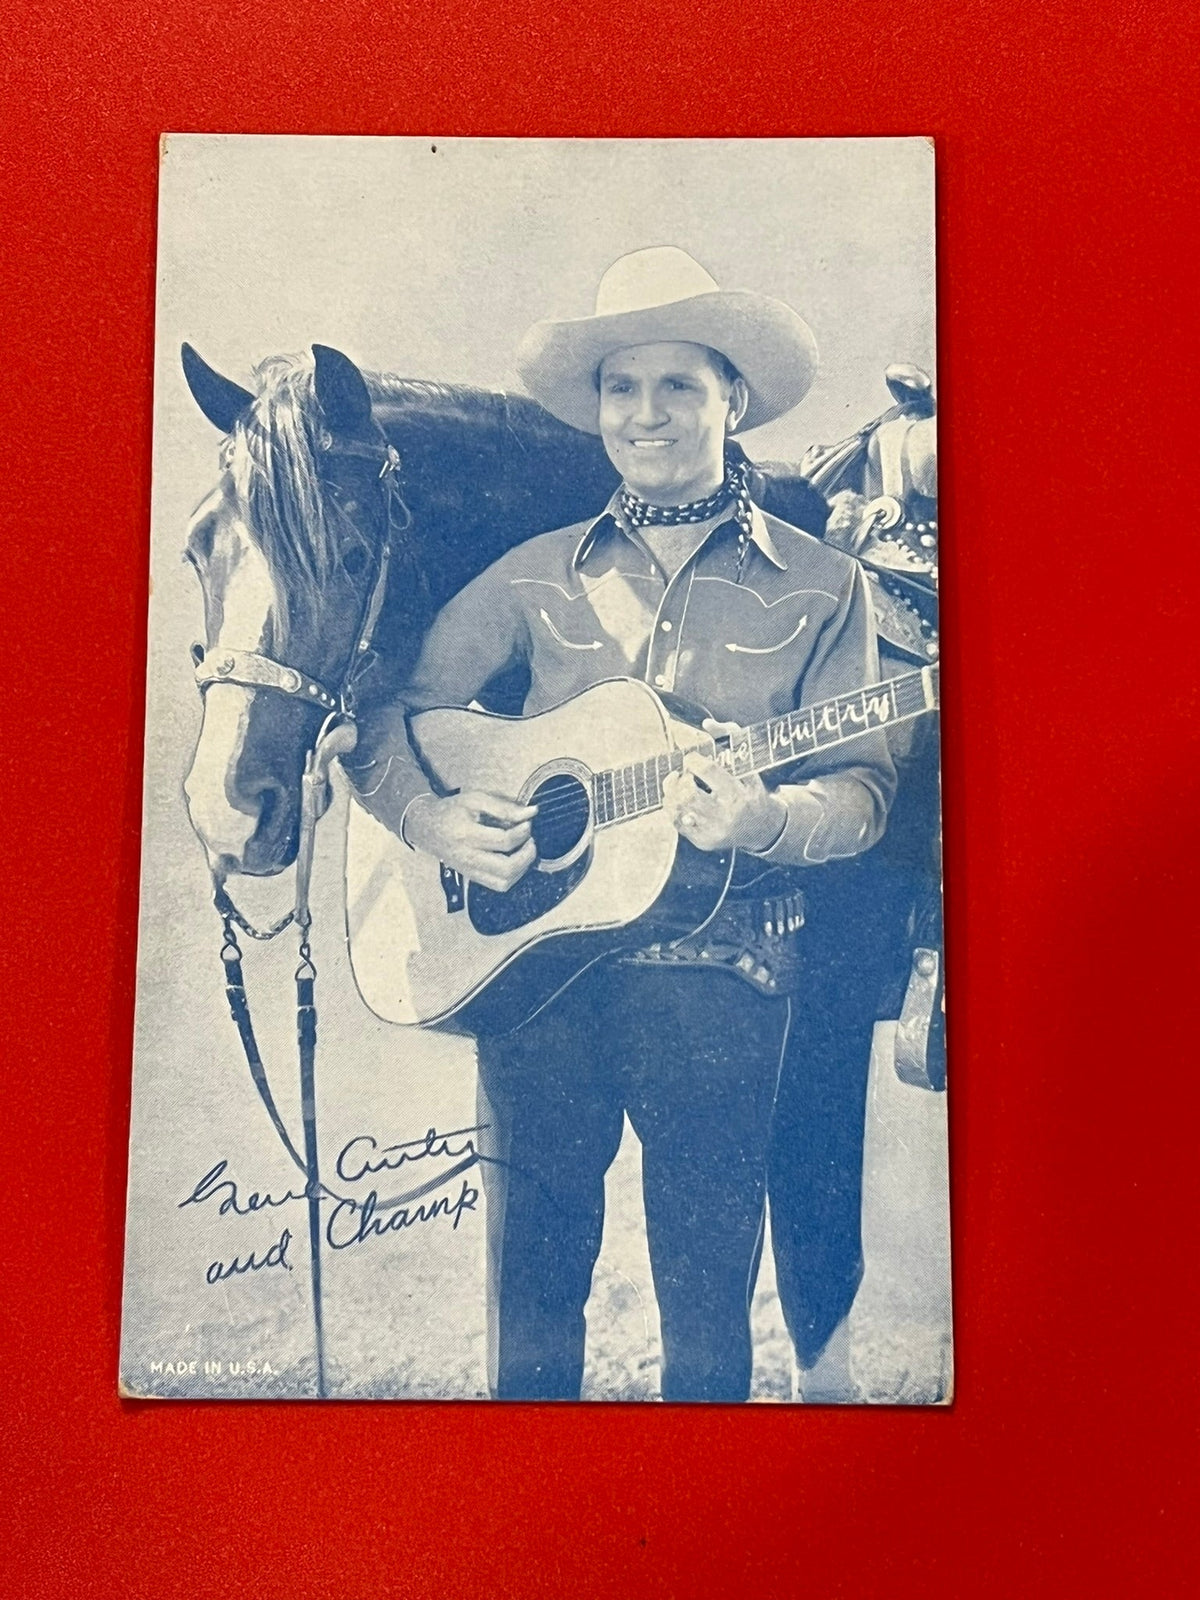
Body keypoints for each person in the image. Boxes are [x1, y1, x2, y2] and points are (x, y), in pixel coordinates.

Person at [351, 246, 896, 1401]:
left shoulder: (821, 584)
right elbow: (390, 714)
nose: (646, 415)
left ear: (732, 398)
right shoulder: (528, 576)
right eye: (621, 387)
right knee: (531, 1311)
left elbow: (862, 793)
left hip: (722, 988)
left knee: (705, 1326)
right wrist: (436, 820)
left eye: (678, 386)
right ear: (596, 408)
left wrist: (766, 814)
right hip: (535, 982)